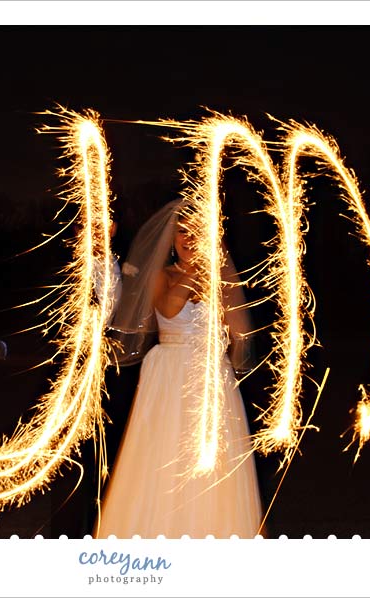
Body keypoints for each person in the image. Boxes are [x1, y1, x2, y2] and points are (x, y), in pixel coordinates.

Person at [95, 199, 263, 539]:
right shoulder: (162, 275)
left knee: (212, 468)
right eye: (181, 232)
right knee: (163, 454)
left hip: (210, 377)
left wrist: (221, 280)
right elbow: (169, 309)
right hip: (169, 374)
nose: (187, 238)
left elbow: (240, 330)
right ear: (171, 240)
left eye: (195, 231)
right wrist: (197, 270)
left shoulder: (220, 279)